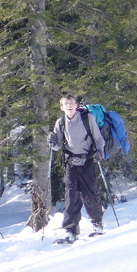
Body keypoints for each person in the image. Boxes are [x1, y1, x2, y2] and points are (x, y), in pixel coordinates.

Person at [48, 95, 105, 243]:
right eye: (66, 104)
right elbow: (58, 146)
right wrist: (52, 142)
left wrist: (100, 151)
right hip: (71, 163)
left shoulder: (88, 118)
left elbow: (98, 138)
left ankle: (97, 225)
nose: (69, 106)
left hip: (88, 160)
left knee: (90, 194)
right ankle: (70, 230)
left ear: (76, 104)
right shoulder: (60, 123)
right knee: (71, 196)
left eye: (71, 103)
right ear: (62, 108)